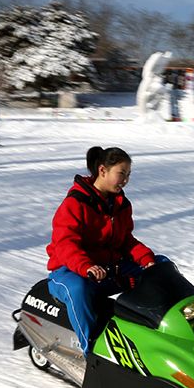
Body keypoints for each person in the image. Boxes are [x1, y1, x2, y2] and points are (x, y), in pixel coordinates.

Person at [46, 146, 159, 354]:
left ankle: (163, 328)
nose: (125, 180)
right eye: (121, 173)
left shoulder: (121, 205)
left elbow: (125, 240)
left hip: (107, 270)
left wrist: (146, 259)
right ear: (102, 171)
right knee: (78, 289)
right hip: (70, 270)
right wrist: (86, 266)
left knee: (160, 267)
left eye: (128, 175)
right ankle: (89, 350)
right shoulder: (75, 203)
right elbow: (65, 243)